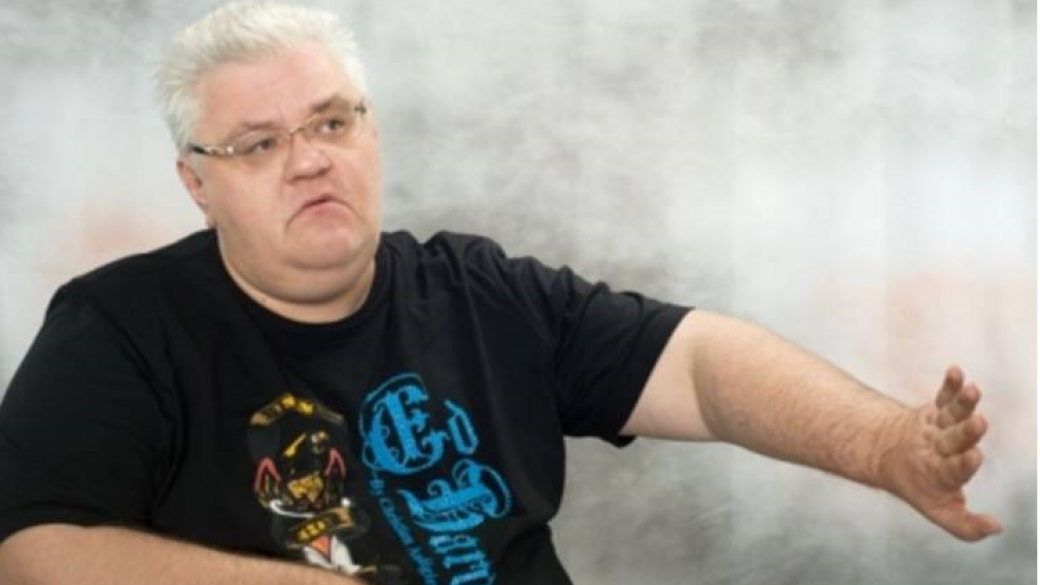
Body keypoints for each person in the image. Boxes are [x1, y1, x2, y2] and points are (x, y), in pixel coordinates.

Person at [0, 2, 1003, 585]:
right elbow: (34, 548)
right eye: (260, 144)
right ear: (196, 183)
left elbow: (699, 367)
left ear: (371, 132)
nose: (309, 160)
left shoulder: (478, 293)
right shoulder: (118, 328)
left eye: (332, 123)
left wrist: (883, 446)